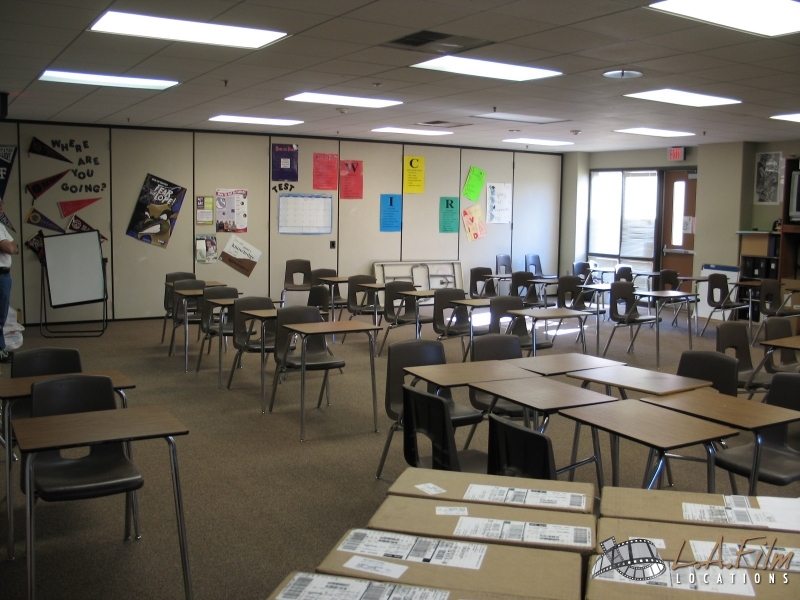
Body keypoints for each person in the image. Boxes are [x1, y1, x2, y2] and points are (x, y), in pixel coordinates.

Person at [0, 198, 19, 362]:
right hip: (0, 276)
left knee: (2, 314)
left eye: (1, 202)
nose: (0, 206)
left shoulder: (1, 226)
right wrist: (11, 247)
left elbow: (14, 246)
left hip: (5, 275)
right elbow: (9, 247)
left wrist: (11, 247)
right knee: (0, 315)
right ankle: (0, 350)